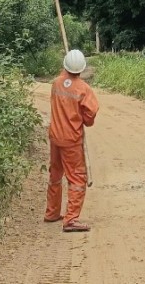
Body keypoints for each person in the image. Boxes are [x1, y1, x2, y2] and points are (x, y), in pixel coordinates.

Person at [45, 49, 99, 232]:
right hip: (71, 140)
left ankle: (52, 212)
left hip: (55, 137)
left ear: (65, 65)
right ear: (82, 69)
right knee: (77, 178)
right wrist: (83, 118)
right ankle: (71, 219)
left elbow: (65, 79)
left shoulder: (56, 83)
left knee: (55, 175)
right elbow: (90, 117)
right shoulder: (83, 89)